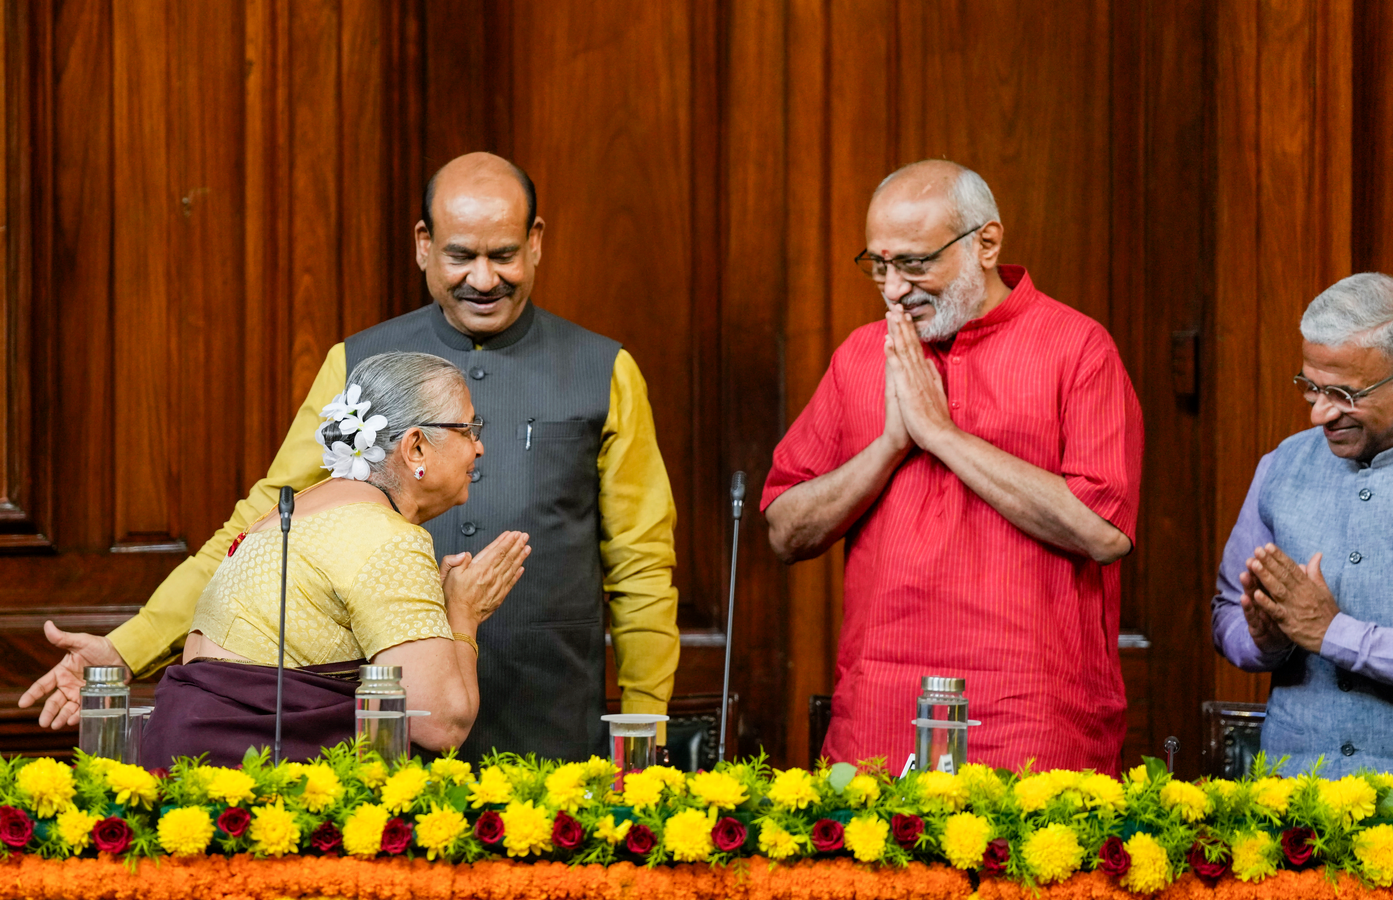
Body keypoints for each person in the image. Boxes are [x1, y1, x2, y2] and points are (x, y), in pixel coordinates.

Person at [21, 153, 680, 762]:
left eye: (504, 254)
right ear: (423, 245)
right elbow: (263, 522)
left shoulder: (606, 371)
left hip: (549, 722)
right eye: (460, 256)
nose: (484, 279)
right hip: (386, 737)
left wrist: (646, 732)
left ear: (536, 241)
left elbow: (641, 569)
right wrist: (124, 649)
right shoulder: (358, 365)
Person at [762, 160, 1143, 774]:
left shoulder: (1076, 348)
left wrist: (941, 435)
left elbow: (1102, 531)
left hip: (1031, 720)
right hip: (880, 716)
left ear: (986, 243)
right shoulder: (861, 356)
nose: (892, 288)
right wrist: (890, 445)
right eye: (878, 265)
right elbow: (785, 530)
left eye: (915, 264)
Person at [140, 352, 530, 767]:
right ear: (415, 447)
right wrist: (463, 612)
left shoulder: (282, 515)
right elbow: (440, 724)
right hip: (251, 782)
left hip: (173, 761)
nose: (480, 447)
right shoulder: (387, 537)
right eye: (468, 429)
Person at [1213, 272, 1393, 776]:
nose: (1319, 413)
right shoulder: (1282, 465)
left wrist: (1333, 632)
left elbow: (1326, 630)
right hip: (1291, 806)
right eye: (1310, 387)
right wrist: (1264, 640)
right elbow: (1226, 609)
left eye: (1342, 392)